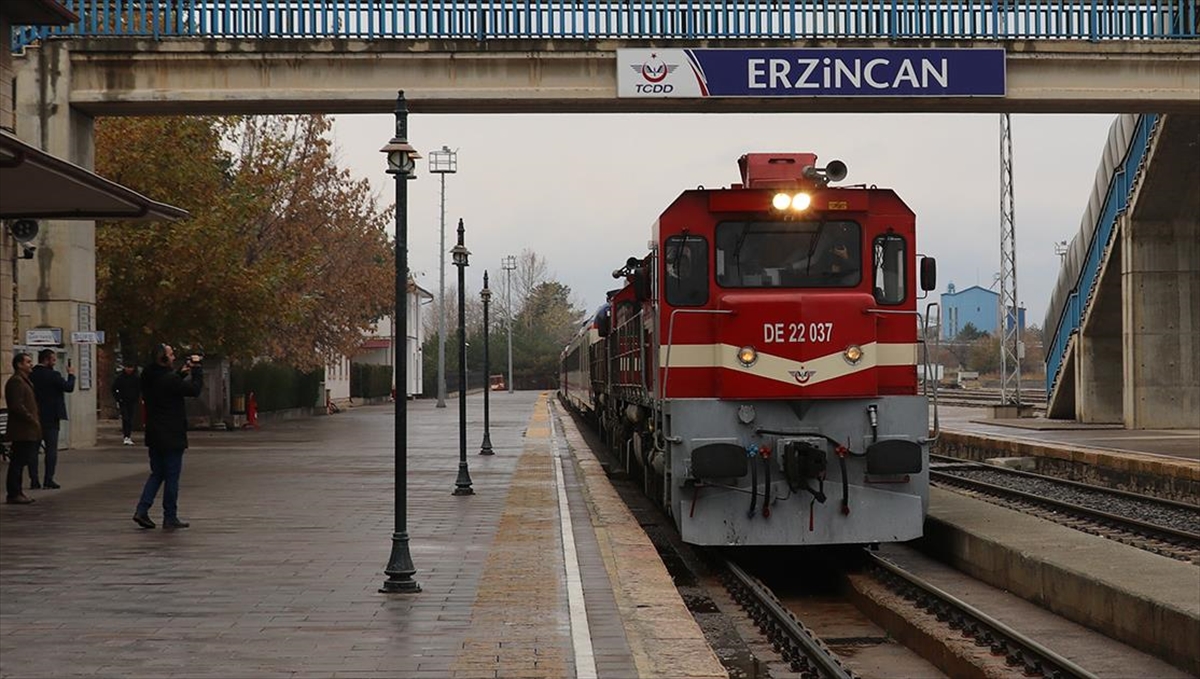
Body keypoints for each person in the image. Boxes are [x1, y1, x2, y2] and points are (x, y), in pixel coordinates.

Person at [133, 344, 203, 530]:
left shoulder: (148, 376)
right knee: (172, 476)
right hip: (171, 433)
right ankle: (170, 516)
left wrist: (180, 373)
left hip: (154, 433)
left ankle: (142, 509)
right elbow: (194, 390)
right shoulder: (169, 380)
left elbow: (164, 386)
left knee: (157, 473)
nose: (174, 357)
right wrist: (197, 370)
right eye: (171, 355)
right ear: (163, 359)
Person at [29, 348, 75, 490]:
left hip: (35, 415)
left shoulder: (31, 375)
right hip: (51, 417)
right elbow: (69, 387)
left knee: (33, 450)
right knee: (51, 450)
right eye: (53, 360)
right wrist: (71, 374)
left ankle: (34, 480)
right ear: (46, 360)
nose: (54, 362)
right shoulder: (53, 375)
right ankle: (48, 479)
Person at [5, 353, 41, 505]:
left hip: (27, 429)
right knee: (18, 462)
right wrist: (30, 418)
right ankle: (14, 493)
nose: (31, 364)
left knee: (21, 461)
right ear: (19, 364)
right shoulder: (16, 381)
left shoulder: (25, 381)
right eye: (28, 362)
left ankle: (18, 492)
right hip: (21, 429)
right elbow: (16, 405)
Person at [112, 364, 141, 446]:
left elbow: (139, 389)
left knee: (130, 419)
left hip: (132, 401)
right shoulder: (120, 378)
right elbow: (114, 388)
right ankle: (126, 436)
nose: (129, 369)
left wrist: (137, 397)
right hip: (123, 401)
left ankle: (128, 435)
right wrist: (118, 398)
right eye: (128, 367)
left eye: (131, 367)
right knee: (125, 418)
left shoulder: (136, 378)